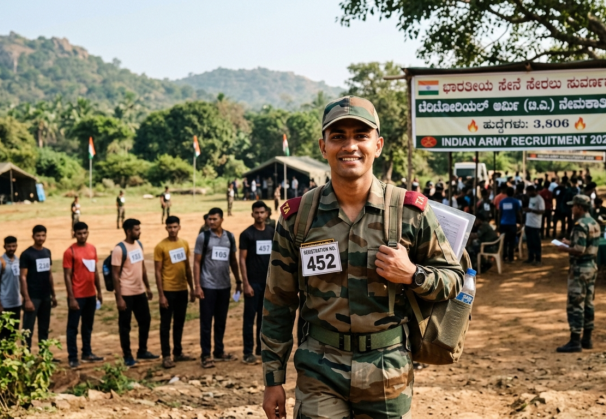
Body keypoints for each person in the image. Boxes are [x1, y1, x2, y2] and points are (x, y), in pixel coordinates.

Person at [261, 96, 464, 419]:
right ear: (323, 146)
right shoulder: (298, 218)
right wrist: (273, 379)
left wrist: (412, 274)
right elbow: (278, 302)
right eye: (338, 136)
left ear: (378, 145)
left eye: (361, 135)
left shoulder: (409, 213)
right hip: (319, 368)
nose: (350, 146)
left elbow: (454, 278)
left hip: (387, 370)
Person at [193, 207, 241, 368]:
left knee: (221, 321)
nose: (211, 221)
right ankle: (206, 355)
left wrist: (238, 281)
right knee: (206, 322)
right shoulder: (203, 237)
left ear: (222, 219)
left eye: (214, 219)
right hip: (207, 286)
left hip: (224, 286)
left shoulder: (229, 237)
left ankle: (219, 351)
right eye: (209, 219)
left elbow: (233, 260)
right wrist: (197, 285)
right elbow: (196, 262)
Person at [555, 195, 600, 352]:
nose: (572, 209)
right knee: (588, 303)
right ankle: (587, 338)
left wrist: (564, 248)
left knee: (575, 304)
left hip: (580, 269)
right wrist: (570, 243)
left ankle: (575, 340)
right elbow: (586, 245)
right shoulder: (593, 222)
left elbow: (579, 250)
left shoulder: (580, 225)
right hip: (591, 267)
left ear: (579, 207)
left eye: (573, 206)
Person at [112, 219, 158, 367]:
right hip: (126, 292)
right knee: (125, 325)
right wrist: (119, 298)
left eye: (139, 229)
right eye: (136, 229)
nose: (139, 232)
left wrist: (147, 287)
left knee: (145, 320)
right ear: (128, 231)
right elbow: (115, 275)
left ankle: (142, 350)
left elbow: (142, 267)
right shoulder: (119, 249)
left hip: (139, 291)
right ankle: (127, 355)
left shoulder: (139, 245)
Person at [154, 216, 196, 369]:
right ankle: (166, 356)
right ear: (166, 228)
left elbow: (187, 267)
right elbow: (158, 271)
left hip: (182, 289)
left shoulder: (184, 244)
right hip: (168, 290)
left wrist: (192, 288)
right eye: (170, 227)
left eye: (175, 227)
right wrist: (161, 295)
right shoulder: (160, 247)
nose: (172, 230)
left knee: (179, 322)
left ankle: (178, 352)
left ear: (179, 227)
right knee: (165, 324)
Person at [63, 222, 104, 369]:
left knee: (87, 326)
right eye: (79, 233)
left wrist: (99, 291)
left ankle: (87, 352)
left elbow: (95, 271)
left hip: (90, 294)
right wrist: (71, 297)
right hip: (77, 295)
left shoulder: (92, 249)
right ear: (74, 234)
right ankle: (72, 357)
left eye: (84, 233)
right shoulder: (70, 252)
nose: (82, 236)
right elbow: (67, 276)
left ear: (88, 233)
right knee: (72, 327)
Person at [239, 201, 274, 364]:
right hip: (252, 283)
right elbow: (242, 259)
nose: (259, 215)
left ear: (267, 214)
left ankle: (261, 348)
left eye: (262, 212)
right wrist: (245, 283)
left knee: (264, 317)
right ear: (252, 214)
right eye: (256, 212)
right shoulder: (246, 234)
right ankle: (247, 352)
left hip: (267, 283)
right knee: (249, 319)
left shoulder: (272, 232)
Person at [20, 225, 57, 352]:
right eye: (38, 235)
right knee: (28, 328)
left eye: (43, 235)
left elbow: (49, 274)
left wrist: (53, 295)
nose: (41, 238)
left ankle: (44, 354)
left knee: (44, 327)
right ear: (33, 236)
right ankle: (26, 356)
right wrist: (27, 299)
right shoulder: (26, 254)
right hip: (33, 297)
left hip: (45, 296)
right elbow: (23, 277)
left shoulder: (47, 252)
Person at [0, 236, 21, 341]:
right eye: (9, 246)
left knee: (13, 333)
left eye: (13, 246)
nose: (11, 248)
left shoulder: (18, 260)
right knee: (1, 334)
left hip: (16, 303)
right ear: (4, 246)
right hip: (4, 304)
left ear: (16, 246)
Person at [499, 187, 522, 263]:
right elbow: (518, 213)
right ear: (513, 193)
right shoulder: (516, 202)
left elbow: (500, 213)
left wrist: (499, 223)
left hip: (503, 224)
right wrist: (521, 222)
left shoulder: (502, 201)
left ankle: (504, 256)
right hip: (512, 224)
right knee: (511, 241)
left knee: (504, 241)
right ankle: (510, 258)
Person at [523, 185, 545, 265]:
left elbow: (542, 211)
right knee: (529, 242)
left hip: (535, 224)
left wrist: (531, 210)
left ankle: (538, 259)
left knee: (536, 242)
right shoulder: (530, 198)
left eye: (528, 192)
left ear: (532, 191)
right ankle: (531, 258)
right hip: (528, 223)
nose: (527, 193)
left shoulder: (539, 199)